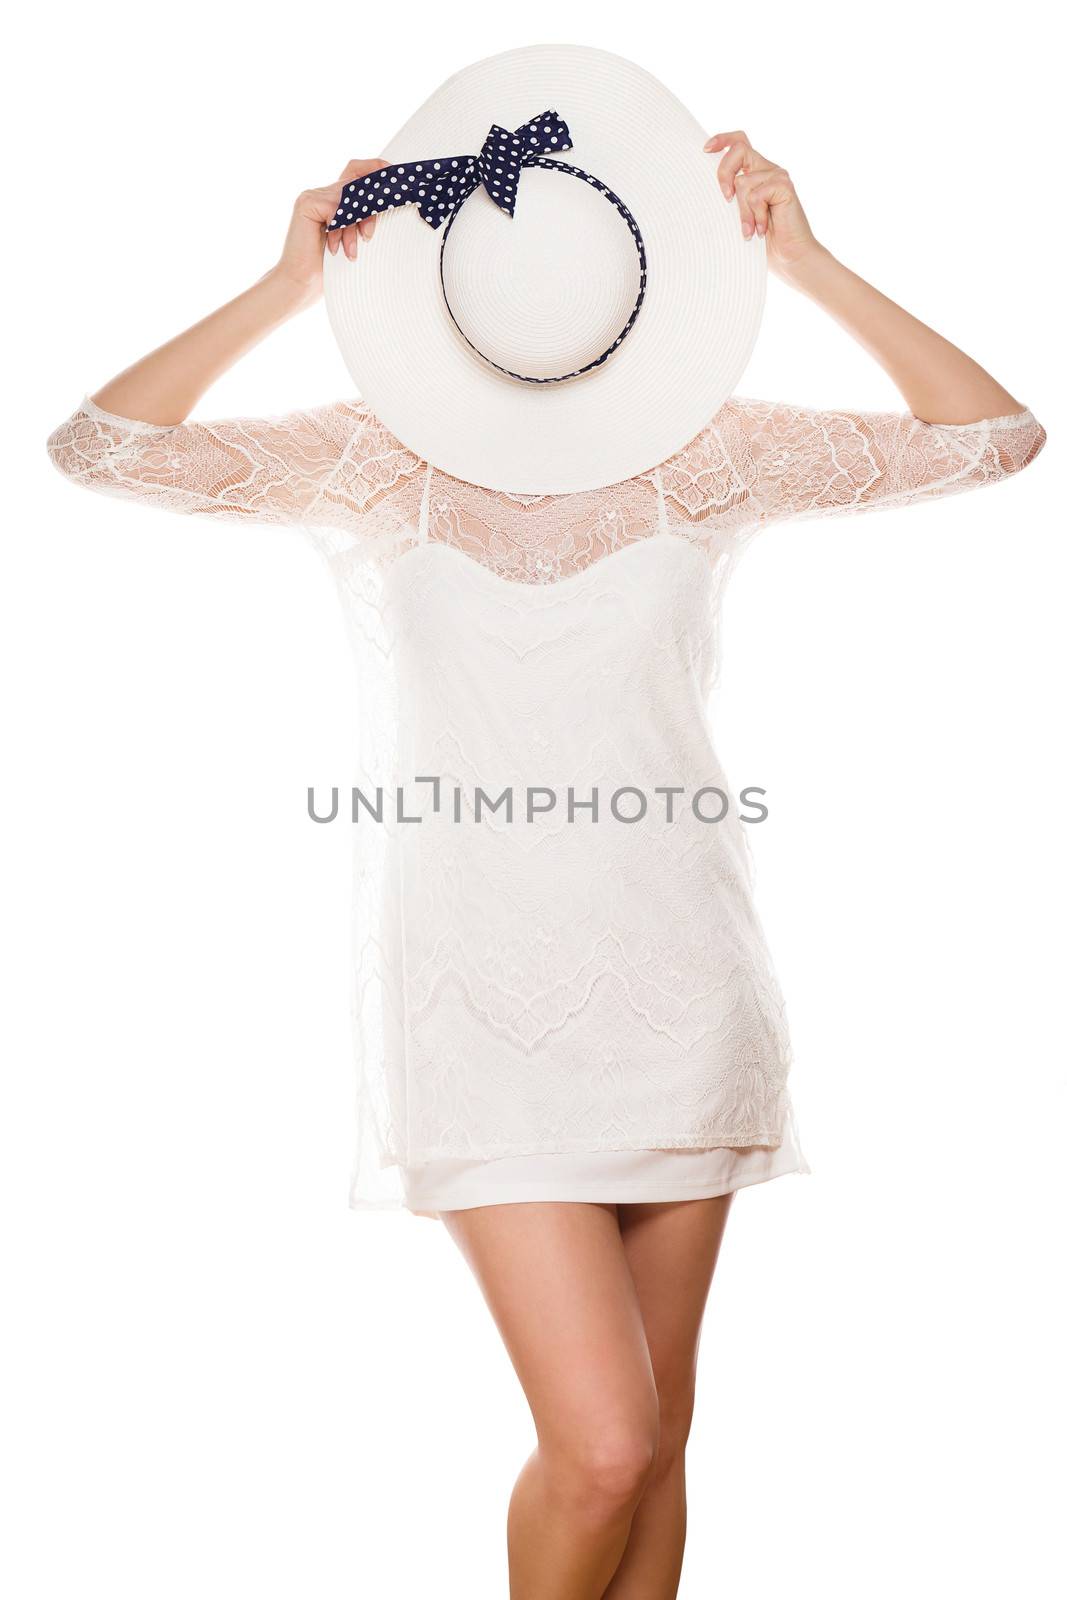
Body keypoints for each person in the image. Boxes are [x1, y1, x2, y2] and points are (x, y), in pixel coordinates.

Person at [46, 44, 1046, 1600]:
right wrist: (282, 290)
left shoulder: (706, 451)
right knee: (603, 1448)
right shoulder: (378, 463)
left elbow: (995, 438)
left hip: (682, 985)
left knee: (663, 1436)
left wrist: (816, 263)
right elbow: (99, 448)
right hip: (483, 1005)